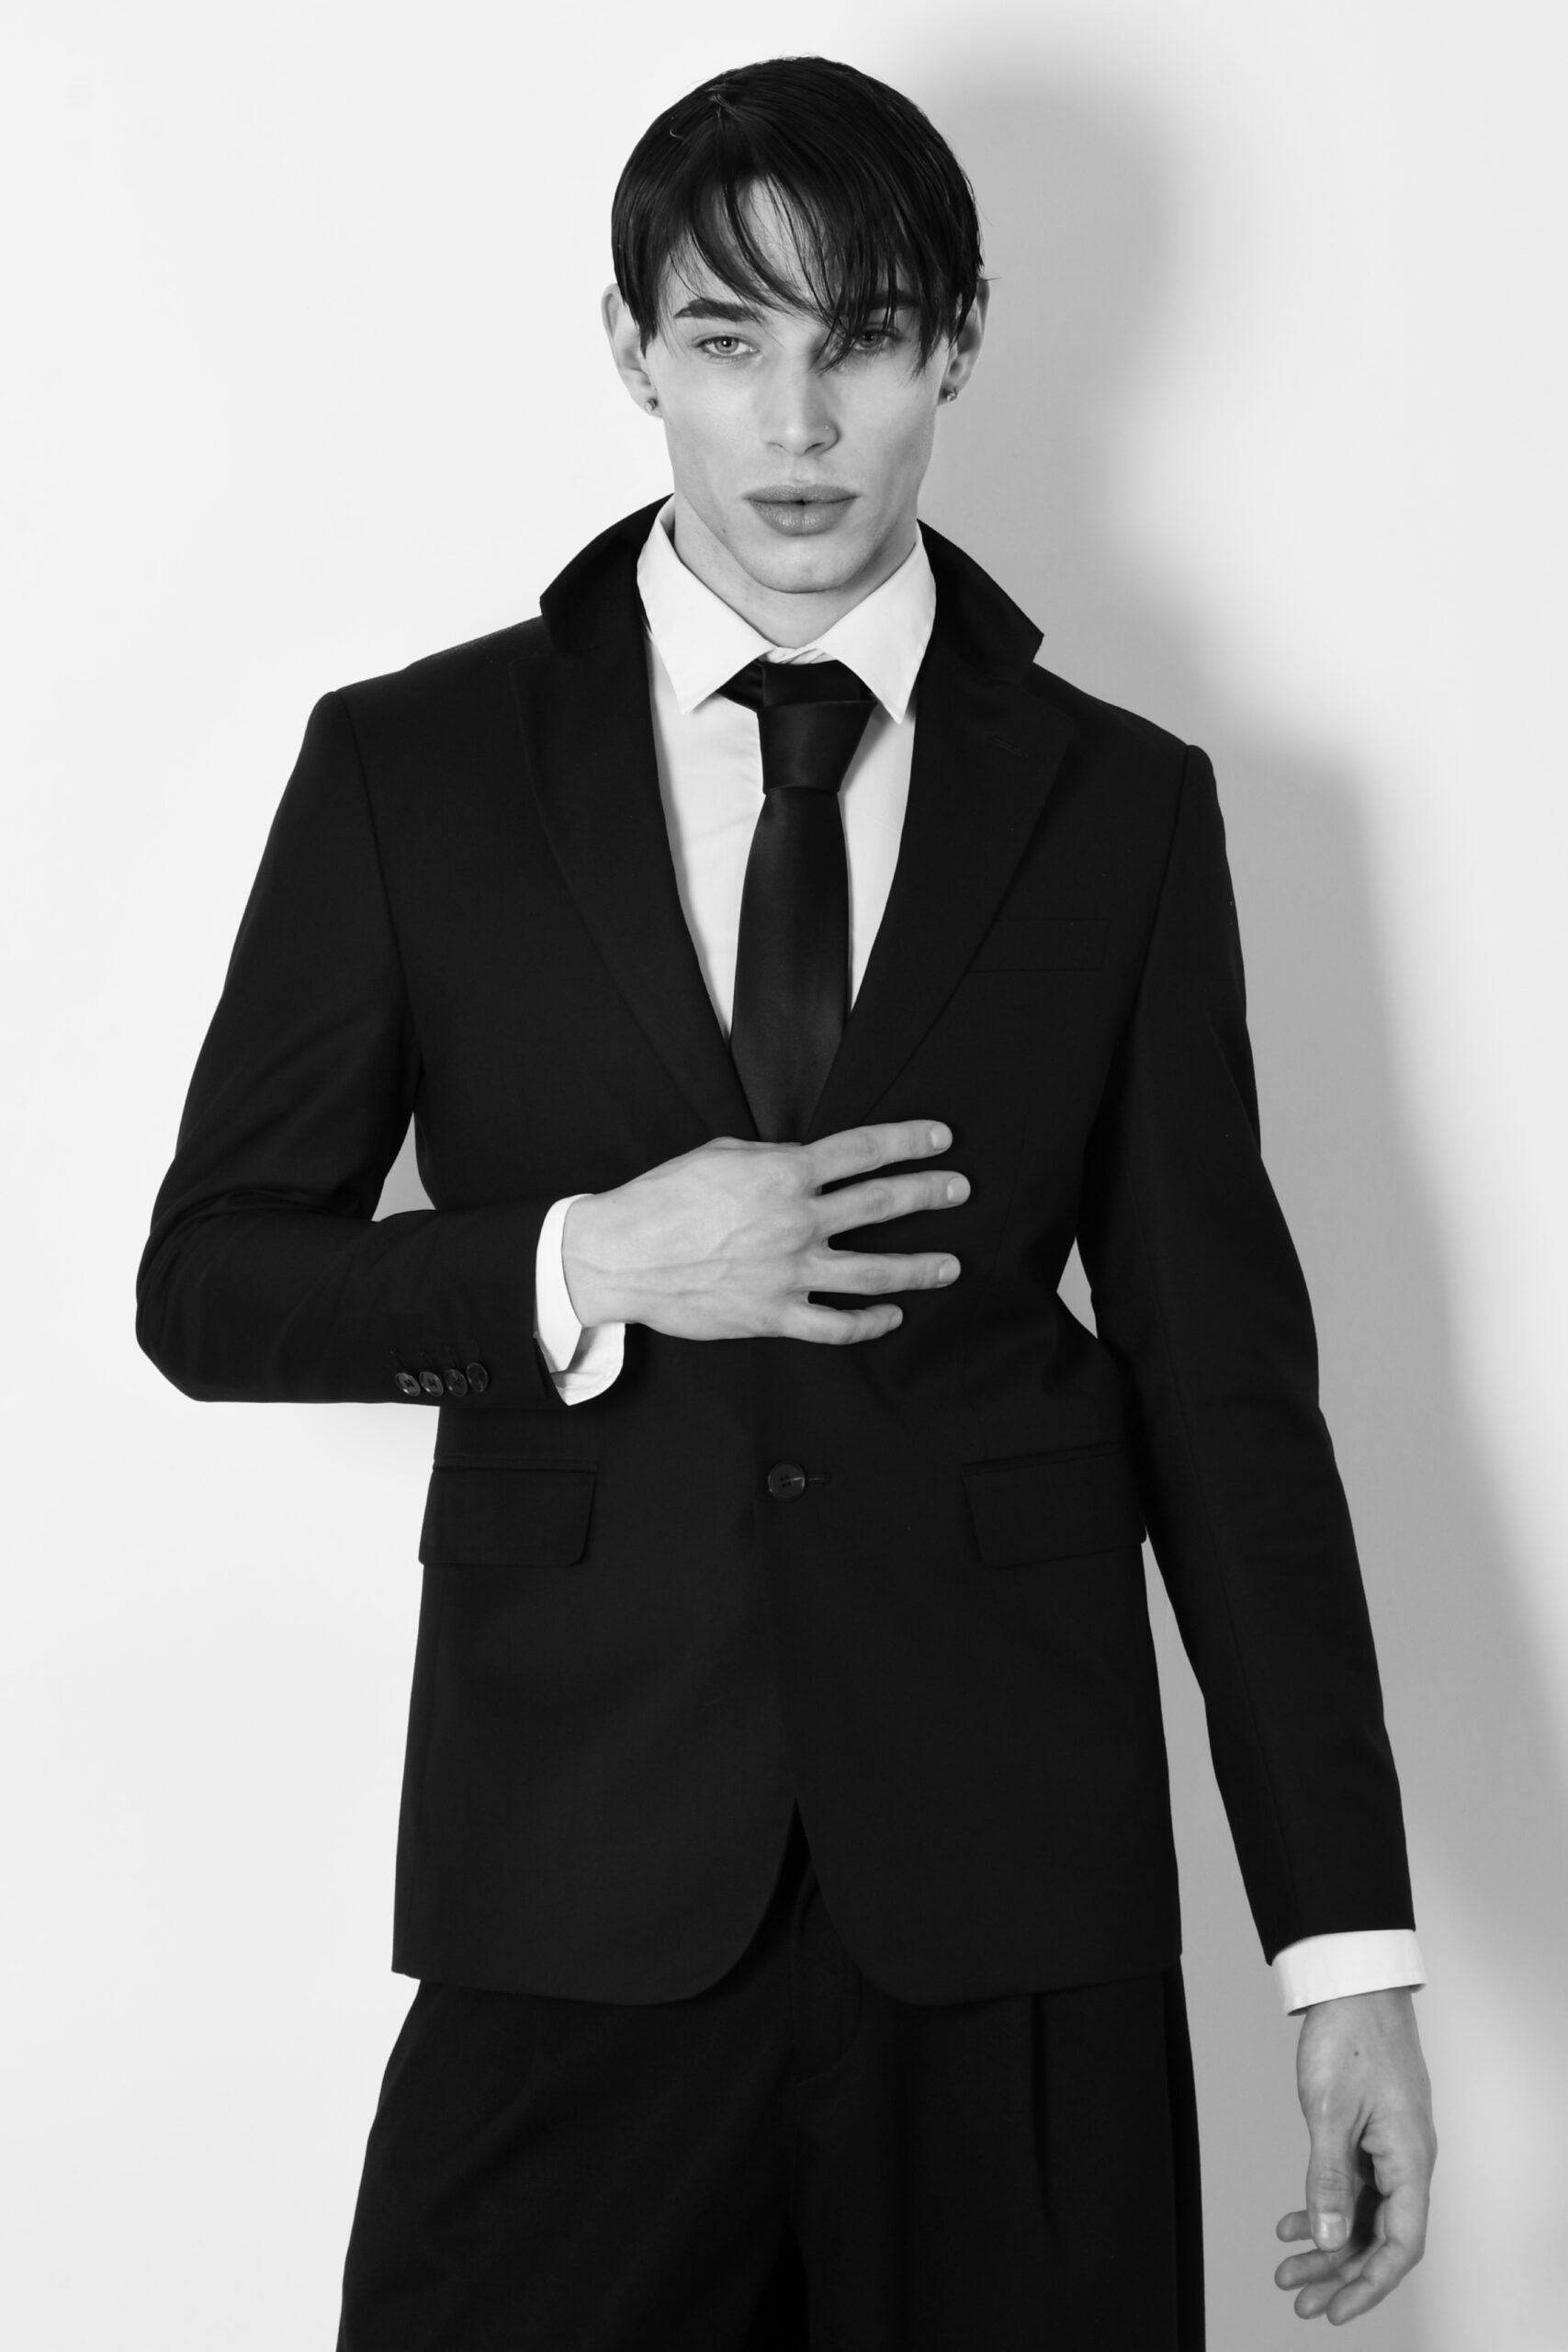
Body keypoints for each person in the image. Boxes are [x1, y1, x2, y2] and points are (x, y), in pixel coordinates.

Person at [136, 53, 1436, 2350]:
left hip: (1010, 1895)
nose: (797, 421)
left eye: (861, 338)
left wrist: (1343, 1955)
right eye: (727, 340)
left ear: (958, 343)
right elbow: (213, 1280)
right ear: (628, 347)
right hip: (572, 1880)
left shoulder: (1119, 807)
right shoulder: (411, 768)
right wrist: (586, 1258)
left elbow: (1226, 1396)